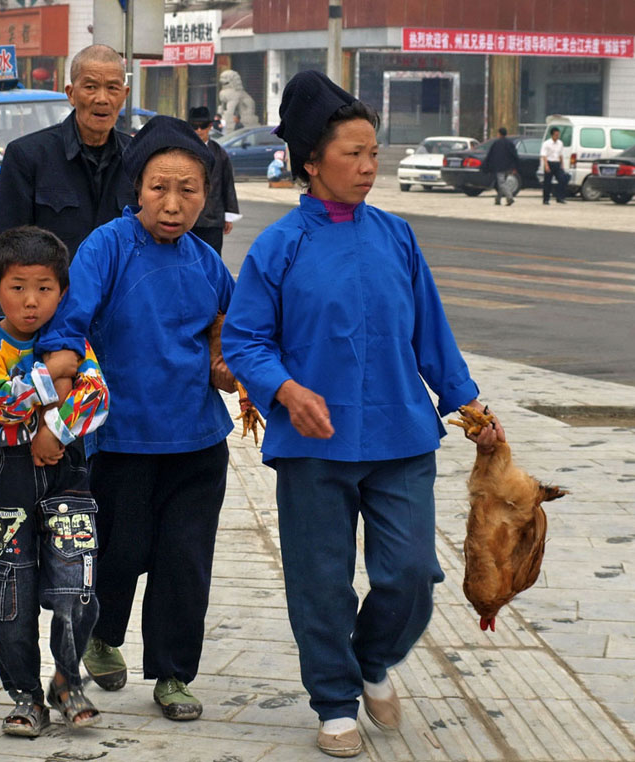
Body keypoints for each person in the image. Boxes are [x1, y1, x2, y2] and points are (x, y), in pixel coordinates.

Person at [221, 71, 505, 759]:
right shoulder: (279, 246)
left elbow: (429, 333)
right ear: (312, 161)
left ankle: (371, 658)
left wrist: (467, 403)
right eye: (353, 152)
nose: (369, 166)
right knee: (319, 581)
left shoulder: (397, 237)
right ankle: (334, 701)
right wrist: (285, 391)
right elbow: (245, 341)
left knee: (411, 573)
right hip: (313, 447)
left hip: (400, 434)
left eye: (374, 151)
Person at [37, 116, 236, 722]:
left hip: (198, 440)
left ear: (206, 195)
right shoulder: (108, 246)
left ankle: (174, 673)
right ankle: (103, 636)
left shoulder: (206, 261)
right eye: (159, 188)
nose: (174, 204)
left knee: (185, 560)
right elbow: (70, 322)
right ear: (136, 187)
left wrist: (236, 370)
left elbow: (231, 338)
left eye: (189, 190)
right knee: (119, 551)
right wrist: (55, 403)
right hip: (120, 437)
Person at [0, 227, 110, 736]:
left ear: (62, 292)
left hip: (68, 476)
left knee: (79, 585)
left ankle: (66, 681)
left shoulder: (76, 343)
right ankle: (25, 694)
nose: (31, 301)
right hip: (8, 480)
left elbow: (96, 399)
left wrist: (53, 431)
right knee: (10, 589)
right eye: (18, 287)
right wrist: (52, 376)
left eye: (44, 288)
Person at [0, 44, 135, 325]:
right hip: (50, 319)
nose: (102, 99)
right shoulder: (28, 155)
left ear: (124, 95)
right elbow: (5, 244)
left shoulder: (137, 159)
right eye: (91, 87)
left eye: (112, 88)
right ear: (71, 94)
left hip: (120, 318)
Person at [188, 105, 240, 255]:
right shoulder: (182, 151)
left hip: (213, 220)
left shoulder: (220, 153)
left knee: (212, 259)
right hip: (187, 217)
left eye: (203, 126)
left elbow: (227, 184)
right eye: (195, 126)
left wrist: (229, 216)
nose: (199, 131)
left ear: (210, 126)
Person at [481, 127, 520, 206]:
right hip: (508, 167)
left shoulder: (496, 143)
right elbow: (514, 155)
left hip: (499, 167)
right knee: (501, 183)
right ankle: (498, 199)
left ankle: (509, 197)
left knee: (501, 183)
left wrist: (486, 166)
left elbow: (490, 156)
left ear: (499, 134)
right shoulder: (510, 143)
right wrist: (514, 167)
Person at [541, 127, 568, 205]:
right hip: (549, 163)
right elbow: (544, 155)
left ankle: (560, 198)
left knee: (562, 179)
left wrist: (562, 165)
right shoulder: (546, 143)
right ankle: (546, 199)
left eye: (558, 135)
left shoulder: (560, 143)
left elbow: (561, 154)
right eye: (556, 135)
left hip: (557, 163)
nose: (557, 136)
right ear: (552, 135)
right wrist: (546, 165)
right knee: (547, 182)